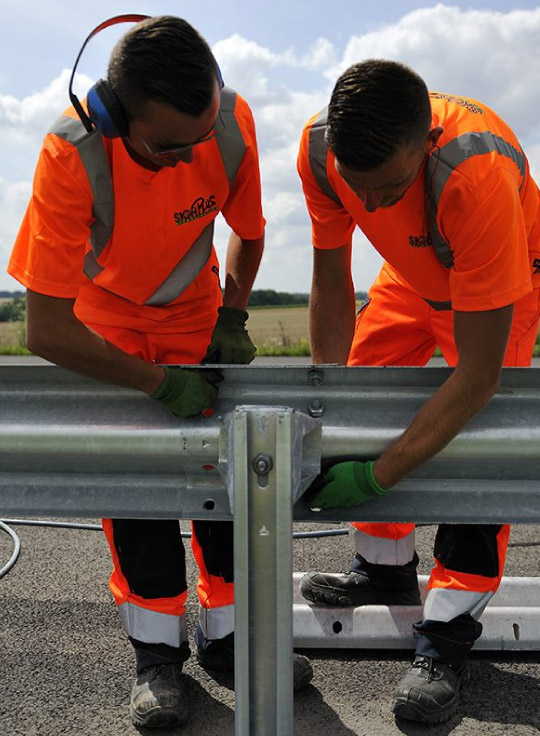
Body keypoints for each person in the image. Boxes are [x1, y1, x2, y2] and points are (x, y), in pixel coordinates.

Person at [8, 15, 312, 729]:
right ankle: (156, 661)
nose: (191, 156)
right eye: (169, 146)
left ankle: (231, 640)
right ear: (116, 119)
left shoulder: (227, 123)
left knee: (227, 485)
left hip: (198, 318)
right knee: (138, 489)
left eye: (200, 137)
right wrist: (153, 383)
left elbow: (250, 229)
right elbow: (46, 329)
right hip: (108, 334)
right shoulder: (73, 154)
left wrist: (234, 315)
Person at [297, 59, 540, 724]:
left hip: (495, 285)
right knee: (369, 390)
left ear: (423, 144)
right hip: (410, 277)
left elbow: (479, 378)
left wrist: (377, 475)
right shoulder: (320, 153)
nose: (371, 205)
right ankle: (382, 566)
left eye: (390, 186)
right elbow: (331, 275)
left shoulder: (476, 173)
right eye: (359, 188)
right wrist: (332, 406)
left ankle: (446, 640)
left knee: (478, 447)